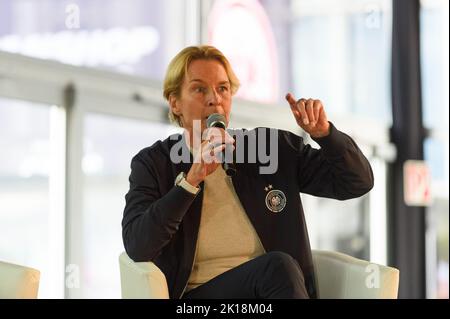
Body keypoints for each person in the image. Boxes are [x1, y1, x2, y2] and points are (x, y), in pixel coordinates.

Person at [122, 45, 374, 299]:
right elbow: (138, 246)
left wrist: (326, 135)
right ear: (175, 103)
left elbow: (356, 182)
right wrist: (190, 181)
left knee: (278, 270)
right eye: (199, 89)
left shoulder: (271, 150)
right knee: (277, 268)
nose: (214, 99)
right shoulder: (153, 163)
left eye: (223, 88)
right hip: (198, 300)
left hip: (273, 292)